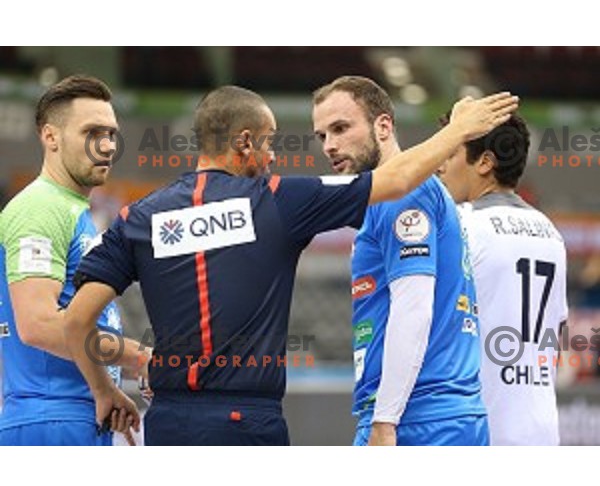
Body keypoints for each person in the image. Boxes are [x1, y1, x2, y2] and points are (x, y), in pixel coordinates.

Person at [64, 85, 518, 446]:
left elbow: (77, 323)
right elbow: (396, 178)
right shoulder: (277, 199)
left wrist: (104, 387)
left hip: (168, 421)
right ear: (245, 142)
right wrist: (458, 131)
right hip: (248, 421)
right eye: (269, 144)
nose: (274, 157)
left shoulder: (138, 217)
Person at [312, 76, 490, 446]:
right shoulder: (398, 195)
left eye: (341, 128)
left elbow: (414, 309)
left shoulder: (402, 194)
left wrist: (384, 421)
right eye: (322, 136)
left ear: (383, 126)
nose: (330, 145)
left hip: (418, 418)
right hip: (442, 414)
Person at [0, 75, 148, 446]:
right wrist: (139, 358)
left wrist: (104, 387)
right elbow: (37, 324)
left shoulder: (73, 210)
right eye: (92, 132)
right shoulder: (40, 207)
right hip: (51, 419)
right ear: (50, 137)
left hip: (77, 414)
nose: (107, 146)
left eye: (112, 134)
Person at [437, 113, 568, 445]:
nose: (439, 166)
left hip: (479, 427)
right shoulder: (551, 232)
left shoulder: (461, 224)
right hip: (541, 428)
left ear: (484, 162)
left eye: (449, 154)